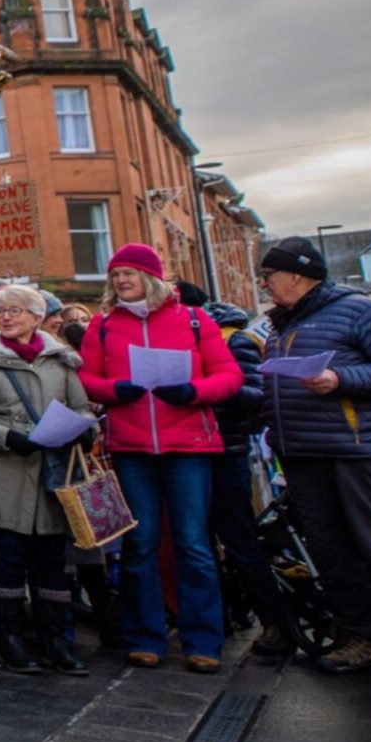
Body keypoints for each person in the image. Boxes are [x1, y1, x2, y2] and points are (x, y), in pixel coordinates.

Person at [255, 236, 371, 685]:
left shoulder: (358, 310)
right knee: (331, 552)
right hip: (302, 454)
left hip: (358, 451)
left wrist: (341, 378)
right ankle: (359, 637)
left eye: (270, 275)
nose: (265, 284)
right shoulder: (281, 324)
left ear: (297, 276)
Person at [76, 244, 241, 672]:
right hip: (131, 446)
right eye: (115, 275)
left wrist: (194, 392)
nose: (121, 281)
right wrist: (113, 391)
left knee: (193, 543)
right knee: (140, 544)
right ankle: (145, 635)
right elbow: (87, 379)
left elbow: (229, 375)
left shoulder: (193, 319)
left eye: (129, 273)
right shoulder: (104, 326)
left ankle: (203, 638)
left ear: (151, 277)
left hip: (188, 444)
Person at [0, 284, 93, 674]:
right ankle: (10, 639)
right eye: (3, 310)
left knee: (51, 561)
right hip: (4, 472)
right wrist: (6, 437)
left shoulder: (60, 360)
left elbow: (81, 406)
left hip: (50, 474)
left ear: (36, 316)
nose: (8, 317)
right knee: (8, 559)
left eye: (16, 310)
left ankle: (56, 641)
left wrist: (83, 428)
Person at [174, 282, 288, 658]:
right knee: (194, 541)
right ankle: (216, 618)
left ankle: (274, 621)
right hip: (181, 449)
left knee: (238, 538)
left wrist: (203, 387)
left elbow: (254, 396)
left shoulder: (232, 339)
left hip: (225, 449)